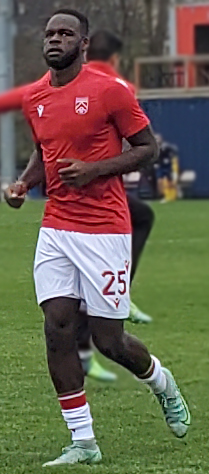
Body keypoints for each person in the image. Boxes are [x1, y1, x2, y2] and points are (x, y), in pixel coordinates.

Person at [5, 9, 190, 466]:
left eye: (66, 33)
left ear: (83, 44)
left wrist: (94, 170)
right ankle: (83, 441)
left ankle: (161, 383)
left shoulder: (110, 92)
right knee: (57, 329)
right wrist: (24, 183)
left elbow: (147, 150)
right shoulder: (35, 98)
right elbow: (44, 148)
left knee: (110, 341)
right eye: (50, 33)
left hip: (105, 229)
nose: (55, 39)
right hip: (56, 228)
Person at [154, 134, 179, 203]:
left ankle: (175, 193)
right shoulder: (155, 148)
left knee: (170, 181)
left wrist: (170, 159)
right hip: (160, 166)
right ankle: (162, 196)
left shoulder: (166, 147)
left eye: (158, 139)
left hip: (167, 166)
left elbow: (174, 151)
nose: (157, 140)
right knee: (159, 181)